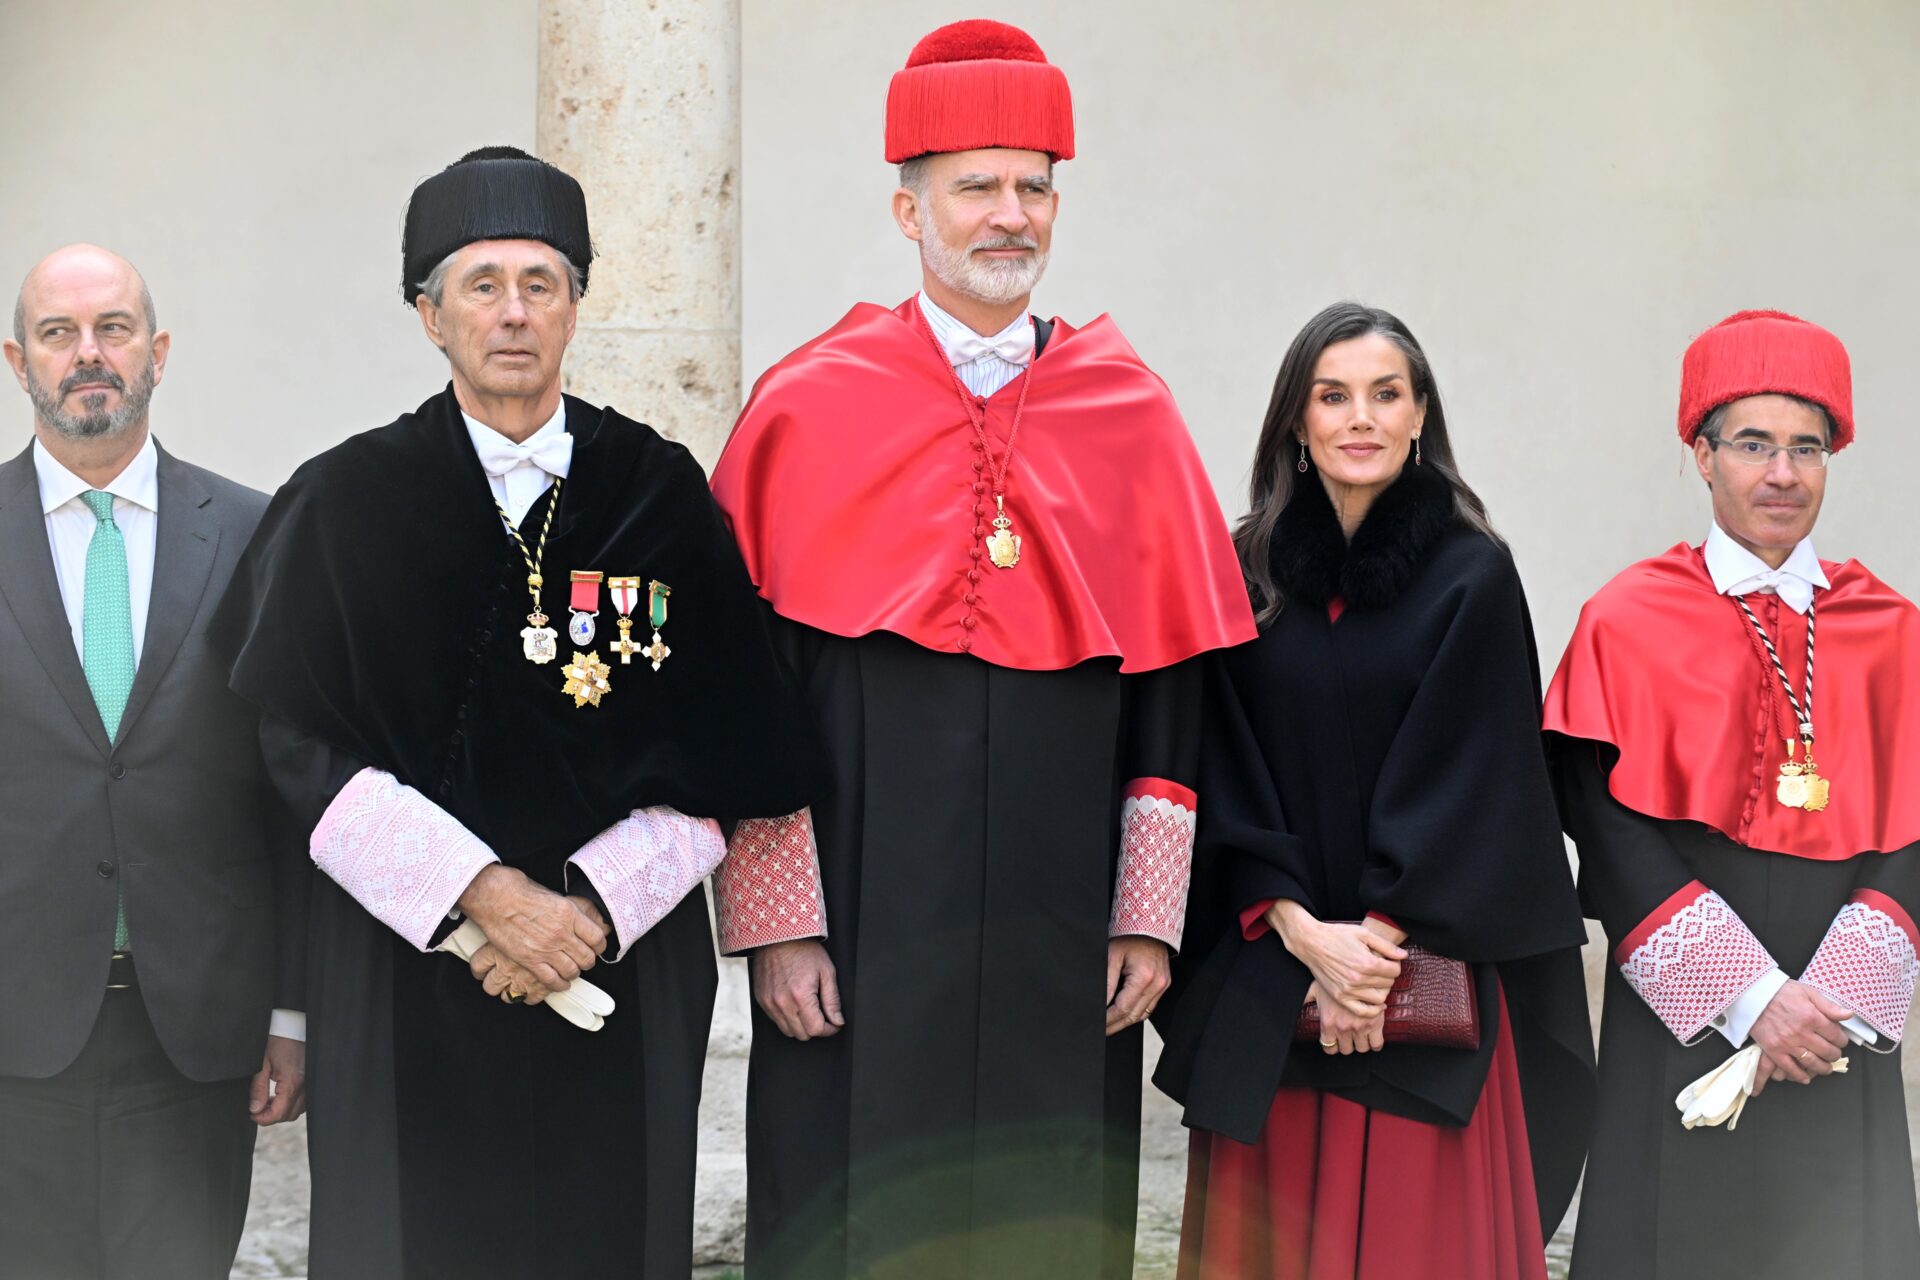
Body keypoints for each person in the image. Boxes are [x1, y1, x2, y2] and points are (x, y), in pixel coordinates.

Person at [206, 146, 820, 1279]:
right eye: (481, 285)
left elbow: (735, 750)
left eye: (542, 283)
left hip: (618, 966)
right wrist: (483, 896)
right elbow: (290, 745)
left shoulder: (660, 491)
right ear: (428, 316)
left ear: (576, 308)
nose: (514, 312)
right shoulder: (343, 502)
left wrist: (583, 910)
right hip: (405, 969)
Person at [707, 19, 1256, 1279]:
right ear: (910, 211)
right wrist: (778, 922)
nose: (1011, 215)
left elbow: (1173, 691)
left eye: (1034, 187)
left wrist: (1148, 916)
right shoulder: (807, 403)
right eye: (976, 188)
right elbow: (749, 693)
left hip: (1062, 925)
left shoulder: (1131, 410)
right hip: (857, 923)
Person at [1154, 303, 1596, 1280]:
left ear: (1420, 415)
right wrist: (1303, 933)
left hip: (1428, 974)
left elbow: (1481, 776)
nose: (1361, 417)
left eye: (1385, 394)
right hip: (1271, 966)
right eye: (1333, 395)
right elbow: (1216, 762)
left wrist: (1371, 955)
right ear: (1297, 420)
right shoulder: (1242, 572)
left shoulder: (1473, 575)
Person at [1545, 309, 1920, 1278]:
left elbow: (1913, 830)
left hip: (1835, 1027)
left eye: (1807, 448)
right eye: (1754, 444)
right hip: (1683, 1021)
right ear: (1702, 456)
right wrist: (1751, 1000)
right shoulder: (1627, 620)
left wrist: (1825, 1004)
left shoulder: (1891, 628)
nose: (1782, 473)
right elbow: (1606, 827)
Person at [0, 244, 307, 1278]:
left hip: (196, 1039)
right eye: (58, 332)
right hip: (11, 1037)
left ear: (158, 352)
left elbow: (290, 793)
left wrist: (292, 1009)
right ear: (20, 361)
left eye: (114, 328)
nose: (89, 353)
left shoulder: (255, 533)